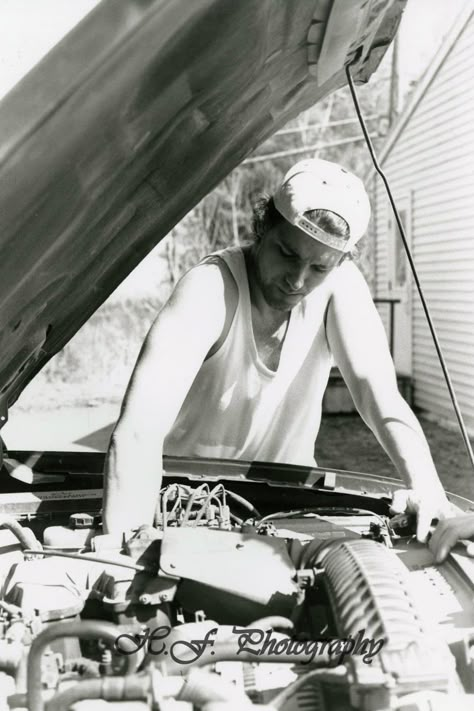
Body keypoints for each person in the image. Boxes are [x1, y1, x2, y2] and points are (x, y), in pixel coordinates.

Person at [103, 158, 453, 539]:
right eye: (287, 254)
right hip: (188, 503)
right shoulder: (208, 289)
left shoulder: (342, 287)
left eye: (319, 268)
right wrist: (126, 543)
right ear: (263, 226)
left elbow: (379, 396)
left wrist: (427, 486)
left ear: (340, 262)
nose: (298, 280)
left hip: (290, 506)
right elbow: (140, 428)